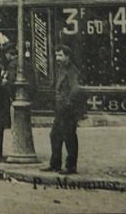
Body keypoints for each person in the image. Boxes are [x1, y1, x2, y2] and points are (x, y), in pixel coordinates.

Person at [42, 45, 85, 175]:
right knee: (55, 135)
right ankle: (55, 164)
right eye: (56, 55)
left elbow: (76, 89)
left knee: (69, 137)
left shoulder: (72, 71)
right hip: (60, 109)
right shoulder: (61, 69)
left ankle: (71, 166)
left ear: (68, 56)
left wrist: (68, 102)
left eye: (60, 55)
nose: (57, 58)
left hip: (68, 110)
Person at [0, 44, 16, 159]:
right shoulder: (10, 66)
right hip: (4, 102)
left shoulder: (11, 66)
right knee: (0, 128)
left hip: (0, 103)